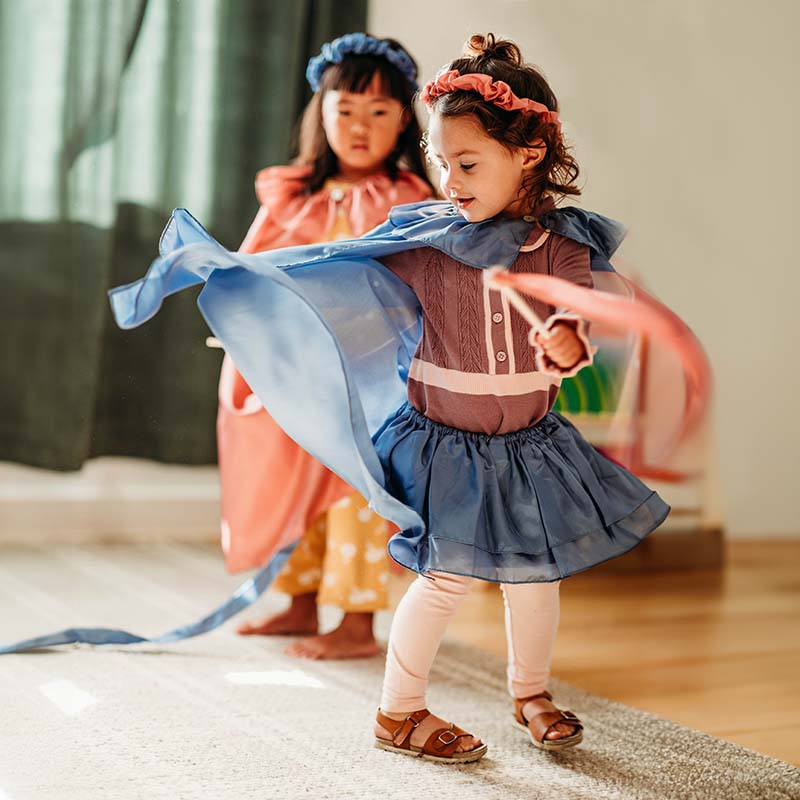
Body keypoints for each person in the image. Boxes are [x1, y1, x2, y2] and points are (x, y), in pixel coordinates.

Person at [110, 34, 673, 765]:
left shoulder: (559, 243)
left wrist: (570, 339)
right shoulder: (427, 240)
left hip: (529, 445)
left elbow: (590, 305)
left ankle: (530, 692)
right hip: (449, 447)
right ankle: (398, 711)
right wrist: (231, 274)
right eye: (441, 162)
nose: (449, 178)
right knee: (446, 580)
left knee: (535, 579)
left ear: (530, 154)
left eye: (466, 163)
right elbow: (329, 268)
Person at [219, 32, 432, 660]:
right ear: (322, 115)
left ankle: (357, 619)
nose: (359, 127)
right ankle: (301, 600)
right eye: (345, 110)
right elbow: (252, 268)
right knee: (294, 483)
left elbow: (420, 284)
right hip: (297, 375)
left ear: (403, 121)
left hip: (369, 381)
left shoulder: (410, 201)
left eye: (378, 112)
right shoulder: (295, 196)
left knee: (355, 488)